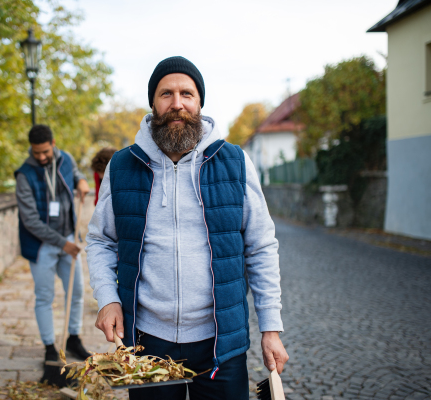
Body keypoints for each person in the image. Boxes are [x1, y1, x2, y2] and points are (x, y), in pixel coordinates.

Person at [86, 56, 289, 400]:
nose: (176, 104)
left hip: (221, 344)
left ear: (199, 103)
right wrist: (107, 299)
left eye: (186, 94)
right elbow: (101, 240)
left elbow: (261, 246)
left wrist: (270, 327)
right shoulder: (123, 165)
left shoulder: (235, 162)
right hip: (149, 341)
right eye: (166, 94)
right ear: (153, 103)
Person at [15, 124, 92, 363]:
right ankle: (50, 346)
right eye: (36, 152)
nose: (41, 157)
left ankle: (73, 338)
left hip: (68, 236)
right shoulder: (24, 175)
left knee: (76, 292)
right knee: (44, 296)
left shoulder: (66, 159)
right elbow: (30, 221)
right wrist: (63, 244)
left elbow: (76, 173)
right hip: (42, 245)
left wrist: (81, 181)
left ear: (53, 143)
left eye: (45, 152)